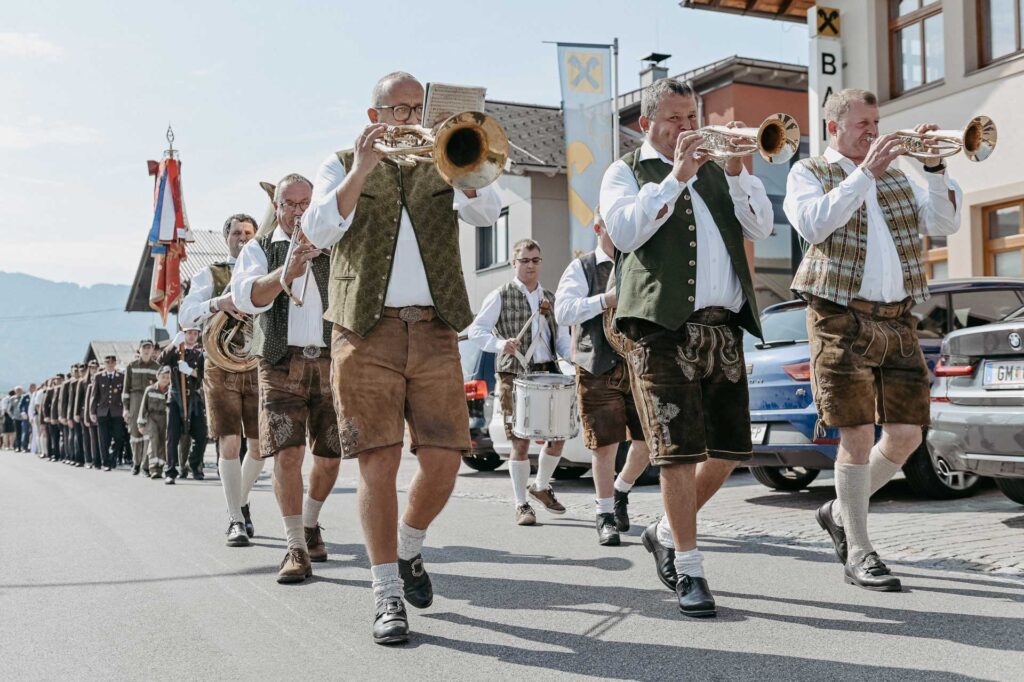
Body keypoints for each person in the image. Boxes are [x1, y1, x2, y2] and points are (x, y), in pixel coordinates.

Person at [301, 71, 501, 644]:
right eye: (399, 110)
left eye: (417, 110)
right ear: (375, 117)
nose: (410, 120)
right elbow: (319, 229)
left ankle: (409, 545)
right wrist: (362, 169)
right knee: (378, 463)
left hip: (435, 328)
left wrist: (455, 167)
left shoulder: (443, 157)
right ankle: (386, 590)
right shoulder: (341, 162)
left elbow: (486, 213)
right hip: (365, 331)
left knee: (445, 460)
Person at [600, 78, 773, 616]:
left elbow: (761, 227)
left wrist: (739, 171)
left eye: (691, 116)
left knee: (729, 452)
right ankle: (691, 567)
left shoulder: (721, 169)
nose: (686, 127)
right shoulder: (625, 170)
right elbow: (625, 234)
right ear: (646, 123)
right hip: (661, 328)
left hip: (723, 328)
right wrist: (676, 176)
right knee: (677, 452)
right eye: (674, 118)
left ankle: (664, 532)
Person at [783, 88, 962, 592]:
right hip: (838, 316)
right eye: (864, 124)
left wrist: (934, 168)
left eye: (876, 122)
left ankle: (839, 512)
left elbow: (945, 223)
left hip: (898, 318)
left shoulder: (897, 175)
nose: (874, 132)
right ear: (833, 127)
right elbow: (814, 224)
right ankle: (860, 551)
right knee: (857, 434)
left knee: (908, 435)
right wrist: (865, 173)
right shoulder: (809, 172)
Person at [232, 173, 340, 582]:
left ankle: (310, 523)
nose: (298, 211)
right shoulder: (260, 248)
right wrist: (286, 272)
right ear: (276, 207)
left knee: (330, 456)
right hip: (279, 361)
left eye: (305, 204)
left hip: (331, 360)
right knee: (287, 454)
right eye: (289, 204)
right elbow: (248, 298)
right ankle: (295, 547)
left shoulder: (333, 243)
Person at [554, 213, 653, 546]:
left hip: (637, 365)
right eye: (614, 224)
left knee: (649, 442)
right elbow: (563, 311)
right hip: (596, 365)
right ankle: (604, 514)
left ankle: (621, 490)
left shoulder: (639, 262)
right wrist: (605, 301)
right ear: (598, 228)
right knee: (605, 444)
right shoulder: (582, 267)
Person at [467, 239, 573, 526]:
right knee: (520, 440)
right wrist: (500, 344)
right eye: (524, 260)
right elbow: (476, 331)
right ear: (514, 263)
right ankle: (521, 504)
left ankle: (540, 486)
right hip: (514, 375)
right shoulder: (500, 295)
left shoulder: (550, 298)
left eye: (535, 260)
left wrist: (571, 361)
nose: (530, 265)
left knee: (558, 436)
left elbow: (562, 340)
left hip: (548, 372)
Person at [180, 213, 265, 545]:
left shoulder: (266, 271)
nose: (242, 238)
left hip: (257, 365)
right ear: (226, 237)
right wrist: (219, 303)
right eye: (236, 233)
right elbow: (186, 316)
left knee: (259, 446)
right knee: (229, 442)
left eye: (248, 233)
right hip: (219, 366)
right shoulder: (210, 273)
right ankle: (236, 520)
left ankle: (239, 501)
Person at [158, 327, 208, 483]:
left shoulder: (200, 354)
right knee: (172, 437)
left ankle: (194, 465)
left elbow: (204, 375)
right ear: (183, 334)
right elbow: (160, 360)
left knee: (201, 435)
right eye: (189, 333)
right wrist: (173, 344)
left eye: (195, 333)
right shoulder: (175, 352)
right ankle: (170, 471)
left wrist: (190, 371)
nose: (192, 336)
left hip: (194, 398)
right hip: (175, 398)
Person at [122, 340, 160, 476]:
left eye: (149, 348)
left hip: (151, 402)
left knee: (148, 434)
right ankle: (136, 463)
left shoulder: (157, 367)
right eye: (144, 348)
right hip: (135, 400)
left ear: (152, 350)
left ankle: (145, 466)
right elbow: (126, 389)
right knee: (135, 434)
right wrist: (125, 408)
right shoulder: (131, 366)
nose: (147, 350)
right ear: (139, 350)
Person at [92, 354, 127, 471]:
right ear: (104, 363)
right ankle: (105, 462)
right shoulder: (98, 377)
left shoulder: (121, 377)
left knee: (118, 437)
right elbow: (94, 395)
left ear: (115, 363)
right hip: (103, 411)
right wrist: (92, 412)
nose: (110, 364)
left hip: (117, 411)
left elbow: (124, 394)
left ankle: (113, 458)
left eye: (112, 362)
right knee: (103, 439)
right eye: (108, 362)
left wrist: (125, 409)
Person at [138, 367, 171, 479]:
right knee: (153, 441)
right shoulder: (150, 390)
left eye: (168, 377)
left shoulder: (170, 390)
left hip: (164, 419)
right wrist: (141, 424)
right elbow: (143, 407)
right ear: (157, 376)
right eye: (163, 377)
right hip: (152, 418)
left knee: (162, 443)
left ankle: (159, 468)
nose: (165, 379)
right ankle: (153, 469)